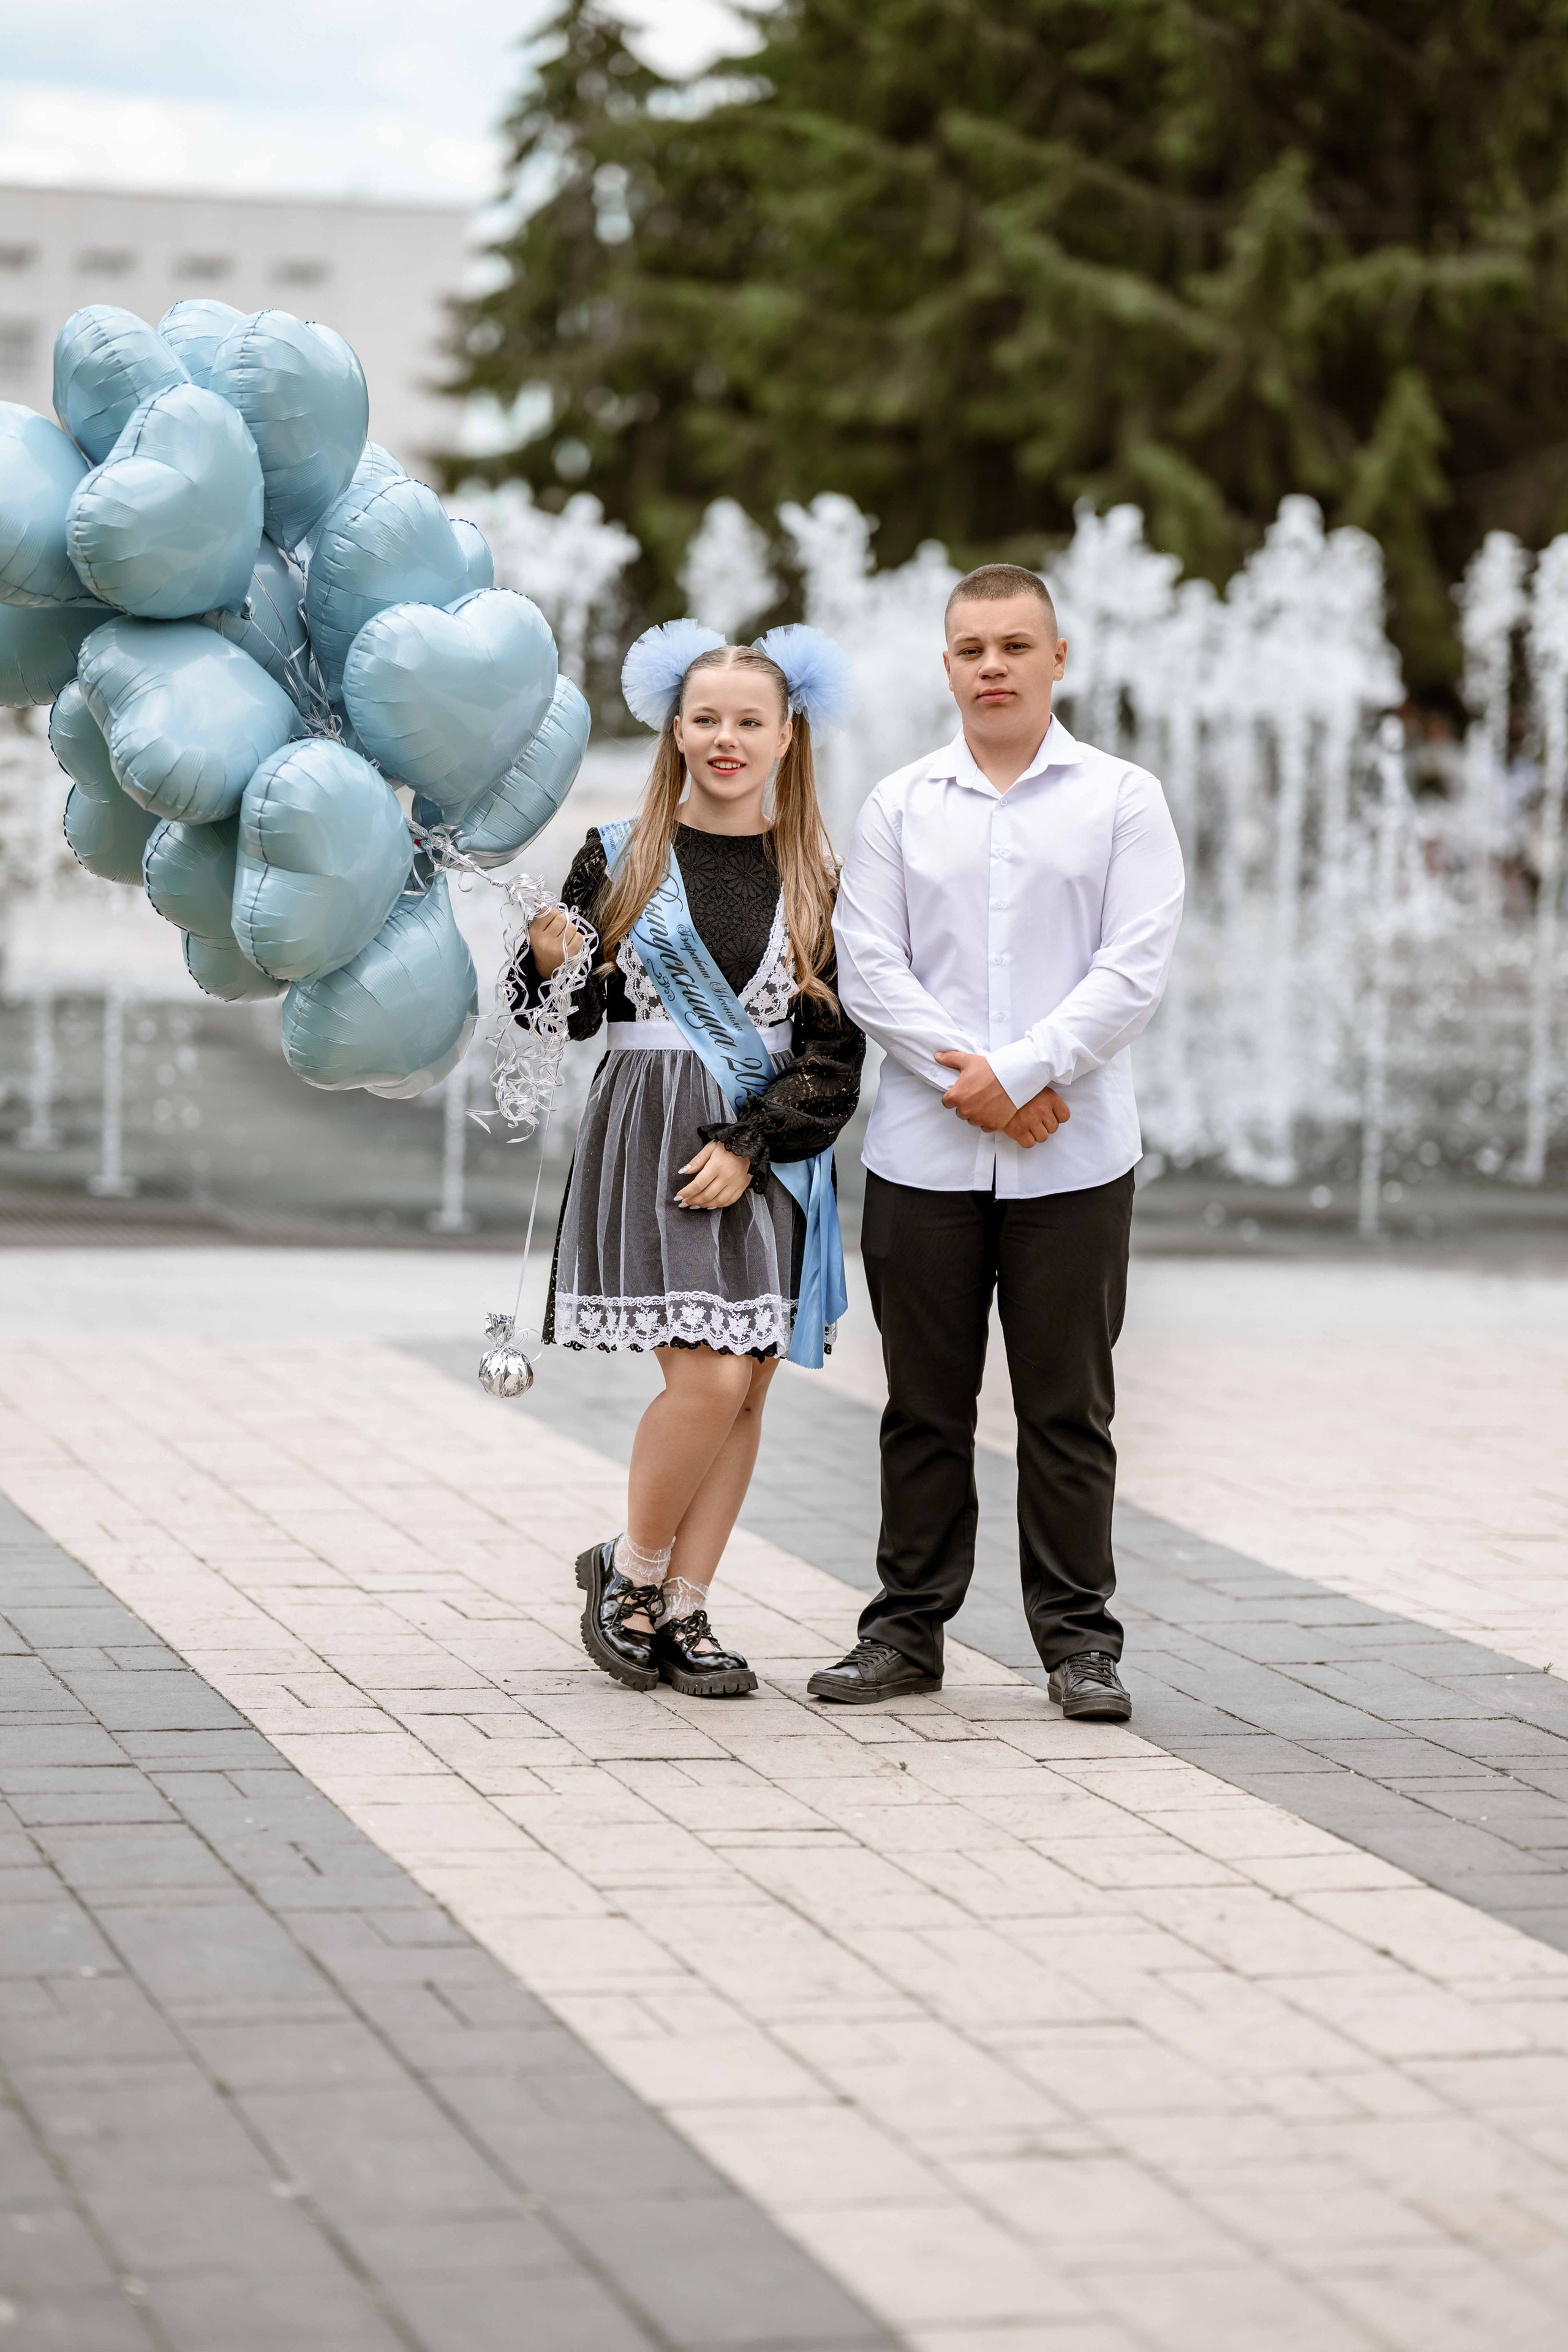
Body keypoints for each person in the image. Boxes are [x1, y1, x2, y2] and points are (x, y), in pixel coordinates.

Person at [809, 565, 1185, 1721]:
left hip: (1074, 1156)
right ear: (946, 664)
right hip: (923, 1158)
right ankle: (904, 1635)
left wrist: (1020, 1076)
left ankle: (1080, 1646)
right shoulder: (899, 804)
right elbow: (868, 964)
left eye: (1016, 646)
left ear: (1058, 659)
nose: (994, 667)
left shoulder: (1123, 798)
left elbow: (1136, 968)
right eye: (972, 648)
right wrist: (978, 1085)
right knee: (924, 1406)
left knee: (1068, 1410)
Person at [512, 622, 864, 1699]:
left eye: (749, 722)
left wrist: (755, 1146)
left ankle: (689, 1606)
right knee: (709, 1376)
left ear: (787, 736)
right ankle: (630, 1578)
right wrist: (543, 962)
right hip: (653, 1134)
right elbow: (556, 1023)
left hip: (766, 1150)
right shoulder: (618, 854)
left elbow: (834, 1047)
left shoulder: (815, 871)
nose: (726, 738)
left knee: (749, 1387)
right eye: (706, 719)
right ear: (675, 730)